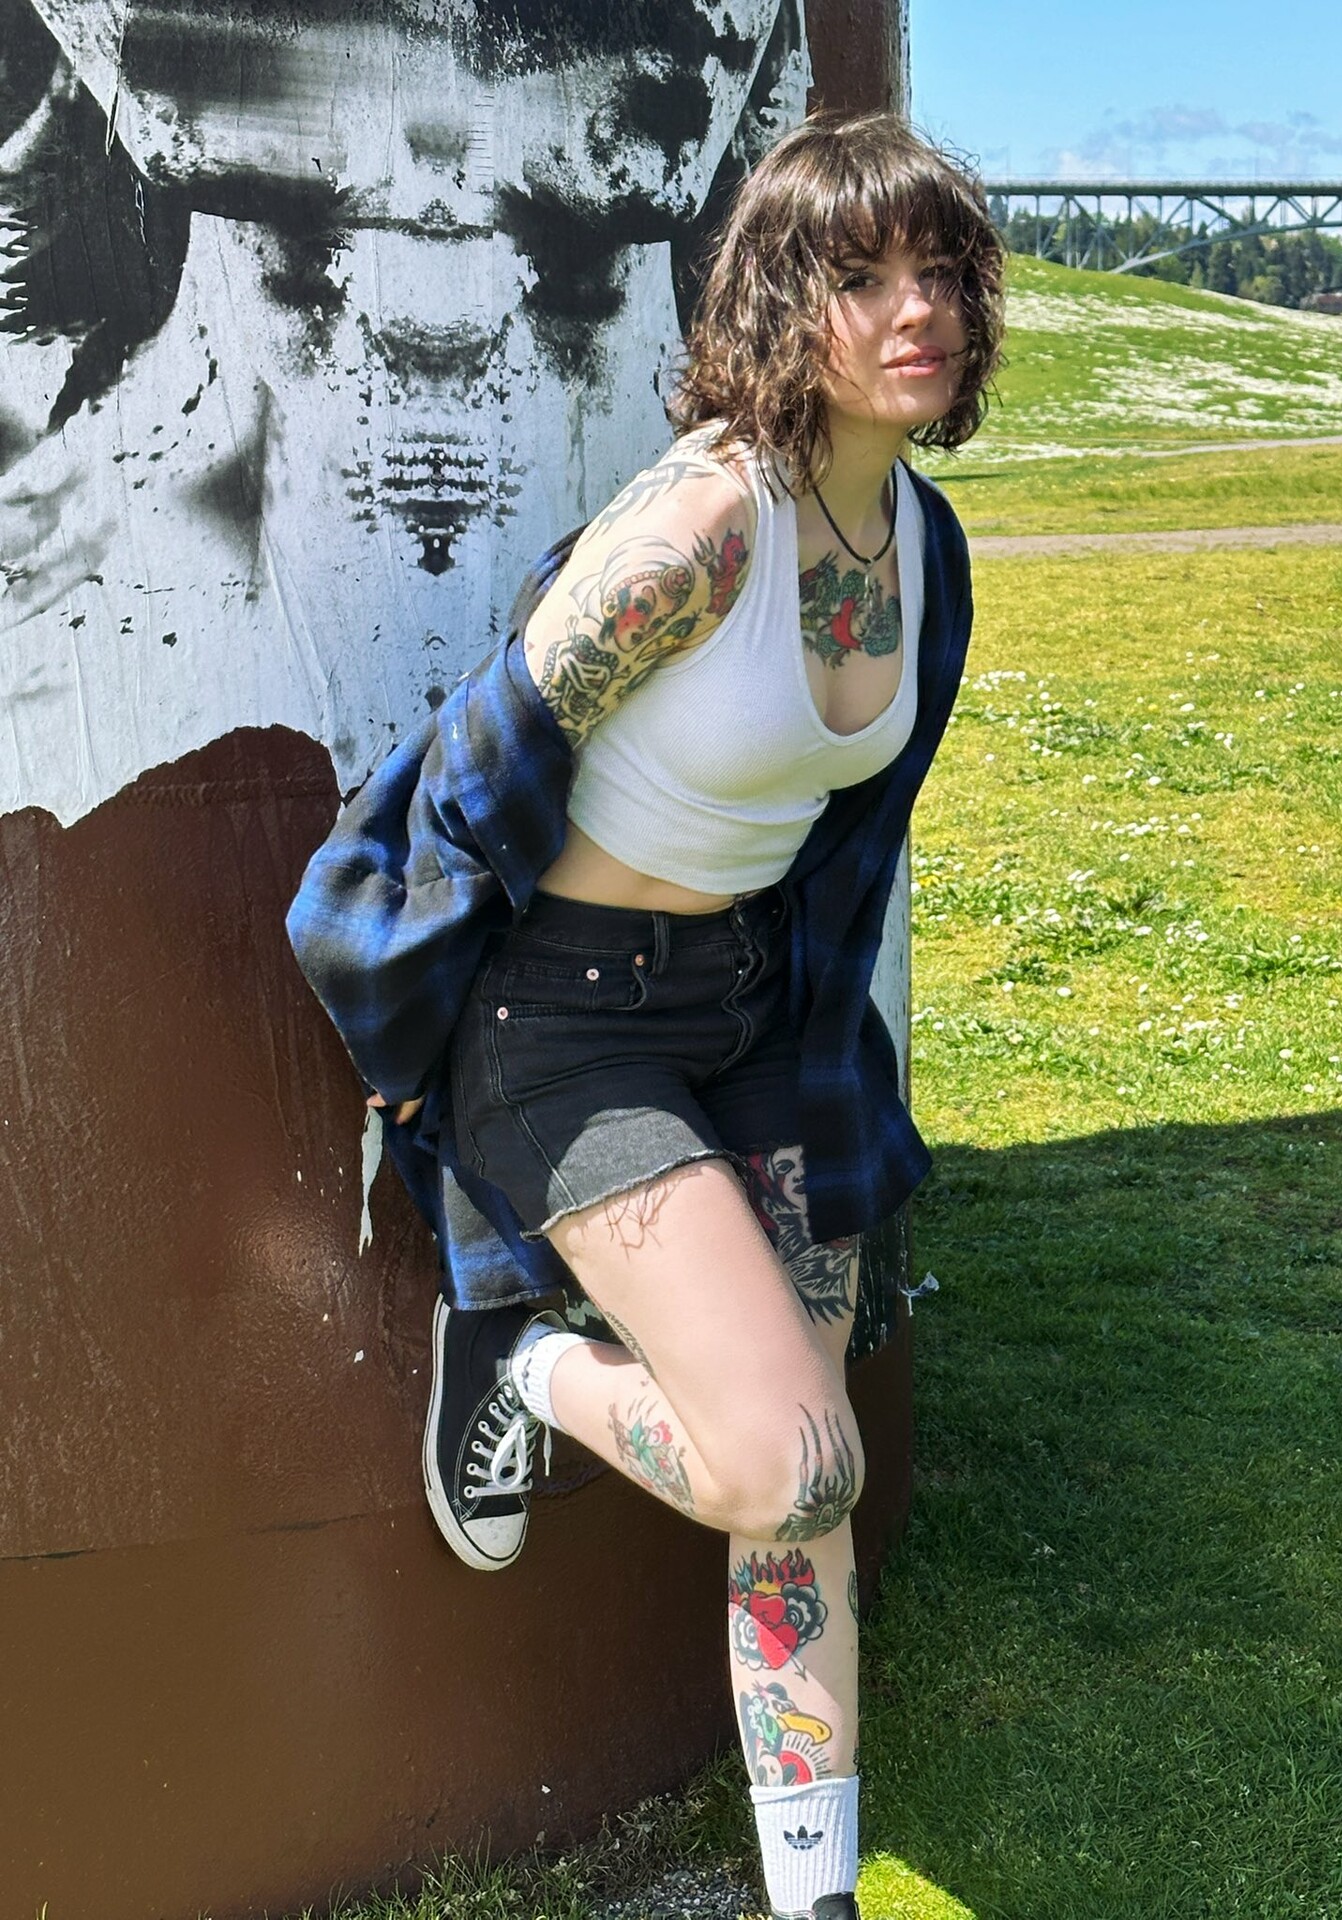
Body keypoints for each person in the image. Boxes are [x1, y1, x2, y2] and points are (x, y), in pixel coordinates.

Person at [288, 109, 1004, 1920]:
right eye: (864, 275)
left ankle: (811, 1896)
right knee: (792, 1458)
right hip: (568, 1026)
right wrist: (417, 1057)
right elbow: (467, 781)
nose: (918, 308)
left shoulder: (925, 547)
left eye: (941, 271)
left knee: (803, 1497)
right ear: (781, 301)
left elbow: (845, 849)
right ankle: (519, 1359)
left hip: (759, 1017)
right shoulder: (702, 527)